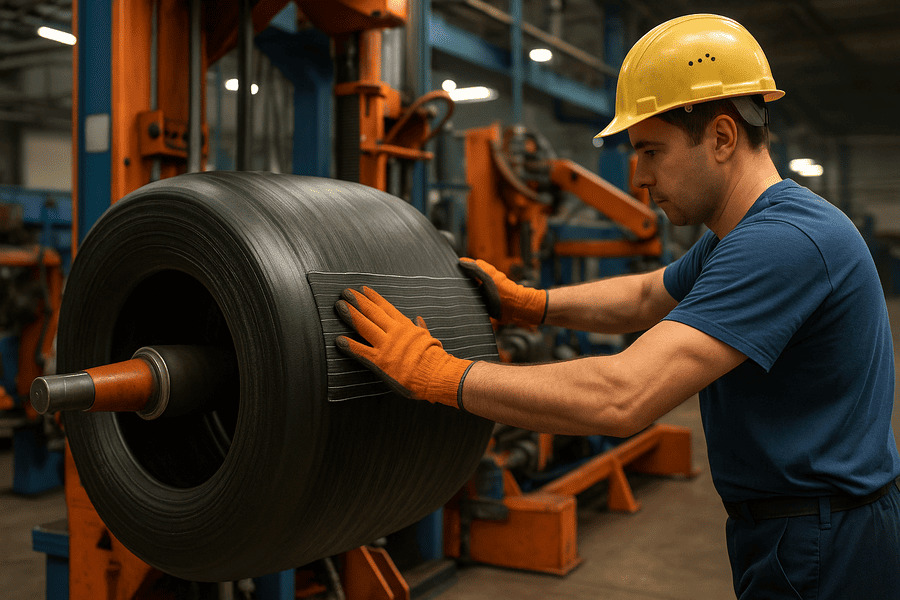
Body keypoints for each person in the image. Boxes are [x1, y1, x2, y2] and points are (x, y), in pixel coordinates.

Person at [333, 13, 900, 600]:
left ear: (723, 137)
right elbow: (646, 295)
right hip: (795, 527)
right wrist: (530, 304)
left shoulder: (782, 243)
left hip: (826, 545)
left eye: (651, 151)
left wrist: (442, 375)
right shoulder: (744, 234)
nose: (640, 178)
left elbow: (622, 395)